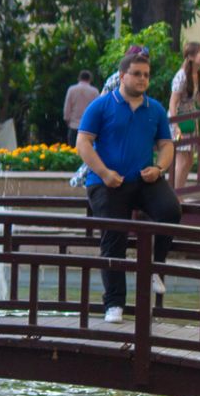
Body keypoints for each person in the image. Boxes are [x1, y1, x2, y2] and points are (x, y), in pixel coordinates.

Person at [76, 48, 180, 324]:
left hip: (143, 179)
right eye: (136, 74)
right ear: (122, 76)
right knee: (114, 235)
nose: (142, 79)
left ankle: (155, 267)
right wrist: (104, 172)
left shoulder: (155, 109)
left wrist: (159, 168)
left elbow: (167, 145)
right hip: (107, 182)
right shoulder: (101, 106)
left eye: (146, 75)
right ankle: (114, 303)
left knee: (171, 211)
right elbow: (83, 143)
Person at [168, 41, 200, 191]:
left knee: (189, 160)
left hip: (190, 118)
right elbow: (173, 102)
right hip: (180, 119)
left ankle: (179, 193)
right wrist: (175, 126)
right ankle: (174, 195)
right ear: (190, 56)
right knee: (182, 159)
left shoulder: (198, 74)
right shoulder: (181, 76)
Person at [63, 69, 100, 137]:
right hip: (89, 127)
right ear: (90, 79)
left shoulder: (72, 89)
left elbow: (67, 108)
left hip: (74, 125)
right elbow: (98, 110)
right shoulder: (95, 91)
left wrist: (67, 120)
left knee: (72, 147)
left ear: (79, 78)